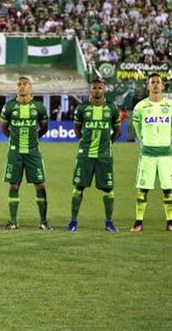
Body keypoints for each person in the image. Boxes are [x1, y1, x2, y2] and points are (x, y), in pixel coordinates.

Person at [66, 79, 121, 233]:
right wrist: (84, 143)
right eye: (94, 88)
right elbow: (77, 129)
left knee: (108, 189)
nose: (97, 90)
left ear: (104, 89)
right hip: (85, 155)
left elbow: (117, 130)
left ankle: (109, 222)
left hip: (104, 156)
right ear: (90, 90)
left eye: (100, 88)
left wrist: (108, 144)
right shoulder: (82, 108)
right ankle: (73, 221)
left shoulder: (112, 108)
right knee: (78, 188)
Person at [130, 73, 172, 233]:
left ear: (163, 86)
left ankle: (171, 222)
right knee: (143, 189)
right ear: (148, 86)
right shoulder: (140, 107)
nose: (155, 85)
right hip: (147, 154)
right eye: (152, 82)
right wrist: (146, 140)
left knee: (168, 189)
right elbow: (137, 129)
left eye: (158, 82)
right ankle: (138, 222)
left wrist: (165, 140)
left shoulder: (171, 106)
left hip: (165, 154)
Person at [0, 76, 52, 231]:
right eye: (19, 85)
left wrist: (34, 140)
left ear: (30, 87)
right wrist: (14, 141)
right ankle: (13, 221)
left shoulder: (39, 107)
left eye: (25, 84)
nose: (22, 87)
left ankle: (43, 221)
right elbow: (4, 128)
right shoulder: (9, 107)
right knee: (14, 185)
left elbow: (44, 128)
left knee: (40, 184)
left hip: (33, 152)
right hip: (15, 152)